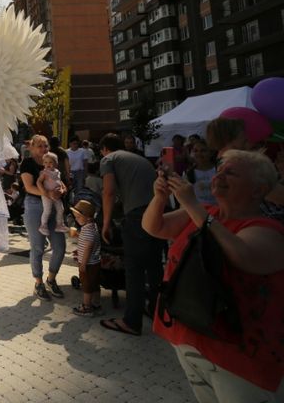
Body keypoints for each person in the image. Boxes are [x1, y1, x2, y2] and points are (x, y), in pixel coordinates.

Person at [143, 149, 284, 401]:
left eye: (231, 173)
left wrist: (192, 205)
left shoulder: (268, 231)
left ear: (257, 190)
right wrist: (160, 198)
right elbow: (155, 227)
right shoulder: (206, 212)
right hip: (190, 340)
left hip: (240, 359)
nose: (219, 176)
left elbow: (242, 256)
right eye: (219, 171)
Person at [98, 133, 161, 336]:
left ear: (105, 149)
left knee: (134, 268)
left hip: (137, 216)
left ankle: (131, 321)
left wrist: (106, 223)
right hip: (159, 212)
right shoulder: (138, 158)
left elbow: (108, 191)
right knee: (154, 265)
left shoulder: (108, 159)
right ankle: (157, 311)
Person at [20, 134, 67, 300]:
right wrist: (47, 193)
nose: (43, 149)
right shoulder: (27, 163)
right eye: (39, 146)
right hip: (35, 205)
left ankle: (51, 279)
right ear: (32, 148)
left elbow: (61, 182)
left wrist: (62, 190)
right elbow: (29, 187)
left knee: (60, 247)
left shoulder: (52, 161)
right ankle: (38, 282)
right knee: (38, 247)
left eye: (45, 145)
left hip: (54, 205)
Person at [71, 200, 101, 317]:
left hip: (88, 264)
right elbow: (86, 241)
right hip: (95, 263)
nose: (76, 219)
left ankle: (86, 307)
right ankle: (97, 304)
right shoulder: (91, 227)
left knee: (87, 286)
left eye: (78, 217)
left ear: (88, 218)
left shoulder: (88, 230)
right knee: (95, 284)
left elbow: (88, 247)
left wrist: (83, 263)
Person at [37, 152, 68, 236]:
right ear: (43, 163)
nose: (48, 164)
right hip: (47, 195)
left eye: (50, 162)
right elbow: (39, 182)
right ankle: (43, 225)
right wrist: (44, 191)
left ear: (56, 163)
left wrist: (62, 189)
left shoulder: (57, 172)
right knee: (47, 210)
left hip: (57, 195)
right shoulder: (44, 173)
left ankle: (59, 224)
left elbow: (59, 182)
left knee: (61, 209)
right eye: (46, 162)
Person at [184, 139, 216, 206]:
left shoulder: (219, 170)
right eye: (196, 151)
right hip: (200, 212)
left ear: (211, 153)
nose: (199, 154)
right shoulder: (190, 173)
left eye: (203, 151)